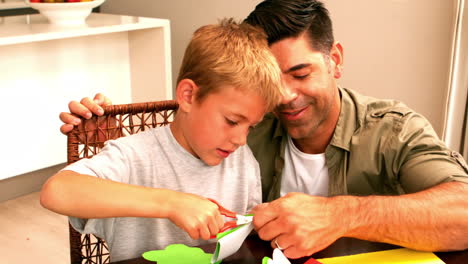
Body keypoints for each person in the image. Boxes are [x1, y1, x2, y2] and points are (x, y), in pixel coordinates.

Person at [58, 0, 468, 260]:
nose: (286, 97)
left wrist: (341, 215)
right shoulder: (249, 128)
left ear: (335, 60)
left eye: (301, 72)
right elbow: (190, 123)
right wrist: (104, 132)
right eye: (273, 82)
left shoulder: (392, 132)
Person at [40, 18, 283, 262]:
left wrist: (264, 223)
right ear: (188, 95)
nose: (241, 139)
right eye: (231, 121)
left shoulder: (242, 161)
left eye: (251, 127)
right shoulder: (133, 156)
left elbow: (245, 242)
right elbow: (57, 191)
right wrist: (171, 203)